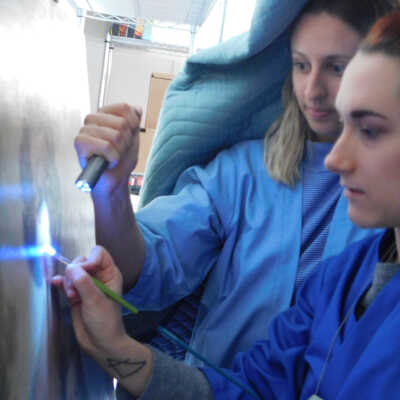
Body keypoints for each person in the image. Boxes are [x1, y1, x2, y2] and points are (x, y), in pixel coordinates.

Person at [56, 10, 400, 398]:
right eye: (301, 65)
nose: (312, 90)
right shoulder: (337, 269)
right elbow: (253, 383)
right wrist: (113, 194)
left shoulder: (368, 243)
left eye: (337, 67)